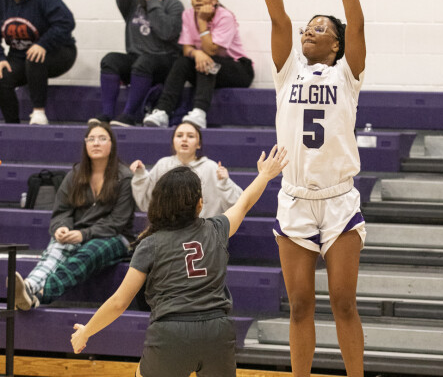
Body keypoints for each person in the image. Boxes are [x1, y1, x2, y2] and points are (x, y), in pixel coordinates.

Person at [70, 146, 288, 377]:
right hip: (218, 330)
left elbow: (119, 302)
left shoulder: (150, 244)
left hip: (171, 333)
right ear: (199, 203)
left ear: (159, 203)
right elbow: (243, 203)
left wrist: (86, 331)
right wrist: (265, 175)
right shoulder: (216, 228)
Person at [244, 0, 367, 376]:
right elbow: (279, 20)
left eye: (321, 28)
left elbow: (358, 20)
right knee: (298, 306)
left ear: (337, 46)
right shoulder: (287, 72)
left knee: (343, 303)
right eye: (308, 27)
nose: (308, 31)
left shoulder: (347, 75)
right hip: (295, 199)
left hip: (338, 200)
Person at [13, 122, 136, 310]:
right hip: (78, 232)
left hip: (117, 237)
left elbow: (118, 222)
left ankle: (40, 295)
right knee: (56, 247)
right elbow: (62, 211)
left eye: (102, 139)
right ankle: (29, 286)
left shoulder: (124, 177)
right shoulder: (75, 174)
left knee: (88, 253)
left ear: (112, 145)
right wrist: (61, 228)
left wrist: (83, 234)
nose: (96, 143)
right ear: (85, 144)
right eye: (91, 139)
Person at [143, 0, 254, 129]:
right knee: (183, 61)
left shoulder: (224, 16)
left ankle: (200, 112)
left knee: (208, 59)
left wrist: (202, 21)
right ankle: (162, 111)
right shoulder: (188, 15)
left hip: (238, 70)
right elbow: (186, 48)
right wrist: (197, 53)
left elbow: (211, 50)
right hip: (210, 68)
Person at [89, 0, 184, 127]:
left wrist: (154, 2)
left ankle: (129, 115)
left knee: (144, 62)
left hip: (164, 61)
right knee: (110, 60)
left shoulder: (174, 4)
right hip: (137, 60)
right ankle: (106, 114)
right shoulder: (133, 1)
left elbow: (167, 33)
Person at [0, 0, 77, 125]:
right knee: (2, 74)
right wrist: (0, 58)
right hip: (19, 55)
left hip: (59, 52)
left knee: (34, 58)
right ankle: (12, 125)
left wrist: (43, 44)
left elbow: (66, 22)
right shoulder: (2, 1)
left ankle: (38, 113)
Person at [130, 121, 242, 215]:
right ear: (173, 142)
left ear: (199, 144)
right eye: (179, 135)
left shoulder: (211, 167)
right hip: (169, 233)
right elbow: (146, 204)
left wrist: (225, 183)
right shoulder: (163, 165)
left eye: (190, 136)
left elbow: (237, 205)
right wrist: (140, 174)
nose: (184, 139)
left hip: (203, 235)